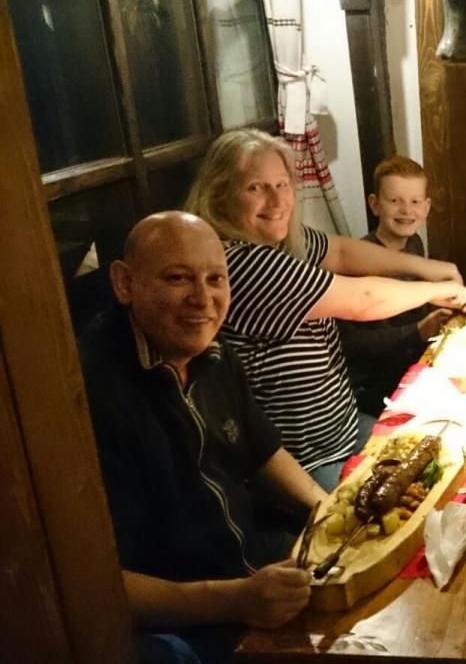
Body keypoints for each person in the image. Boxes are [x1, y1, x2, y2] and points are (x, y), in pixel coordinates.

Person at [78, 212, 326, 664]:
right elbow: (94, 582)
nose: (204, 299)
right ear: (124, 283)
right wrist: (238, 599)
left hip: (250, 566)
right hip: (186, 614)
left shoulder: (213, 350)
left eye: (216, 279)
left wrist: (326, 508)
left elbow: (262, 447)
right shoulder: (87, 394)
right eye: (178, 278)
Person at [185, 128, 466, 490]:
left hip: (346, 427)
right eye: (255, 188)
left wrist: (427, 267)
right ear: (220, 195)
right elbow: (361, 300)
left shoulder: (283, 240)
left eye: (282, 184)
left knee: (451, 452)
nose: (276, 201)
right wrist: (435, 288)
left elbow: (339, 251)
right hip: (307, 460)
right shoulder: (238, 261)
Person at [338, 155, 454, 416]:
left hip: (413, 368)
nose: (406, 211)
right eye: (394, 201)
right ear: (375, 205)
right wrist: (418, 330)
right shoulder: (359, 260)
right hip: (373, 388)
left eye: (414, 202)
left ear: (426, 208)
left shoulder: (414, 245)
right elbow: (352, 346)